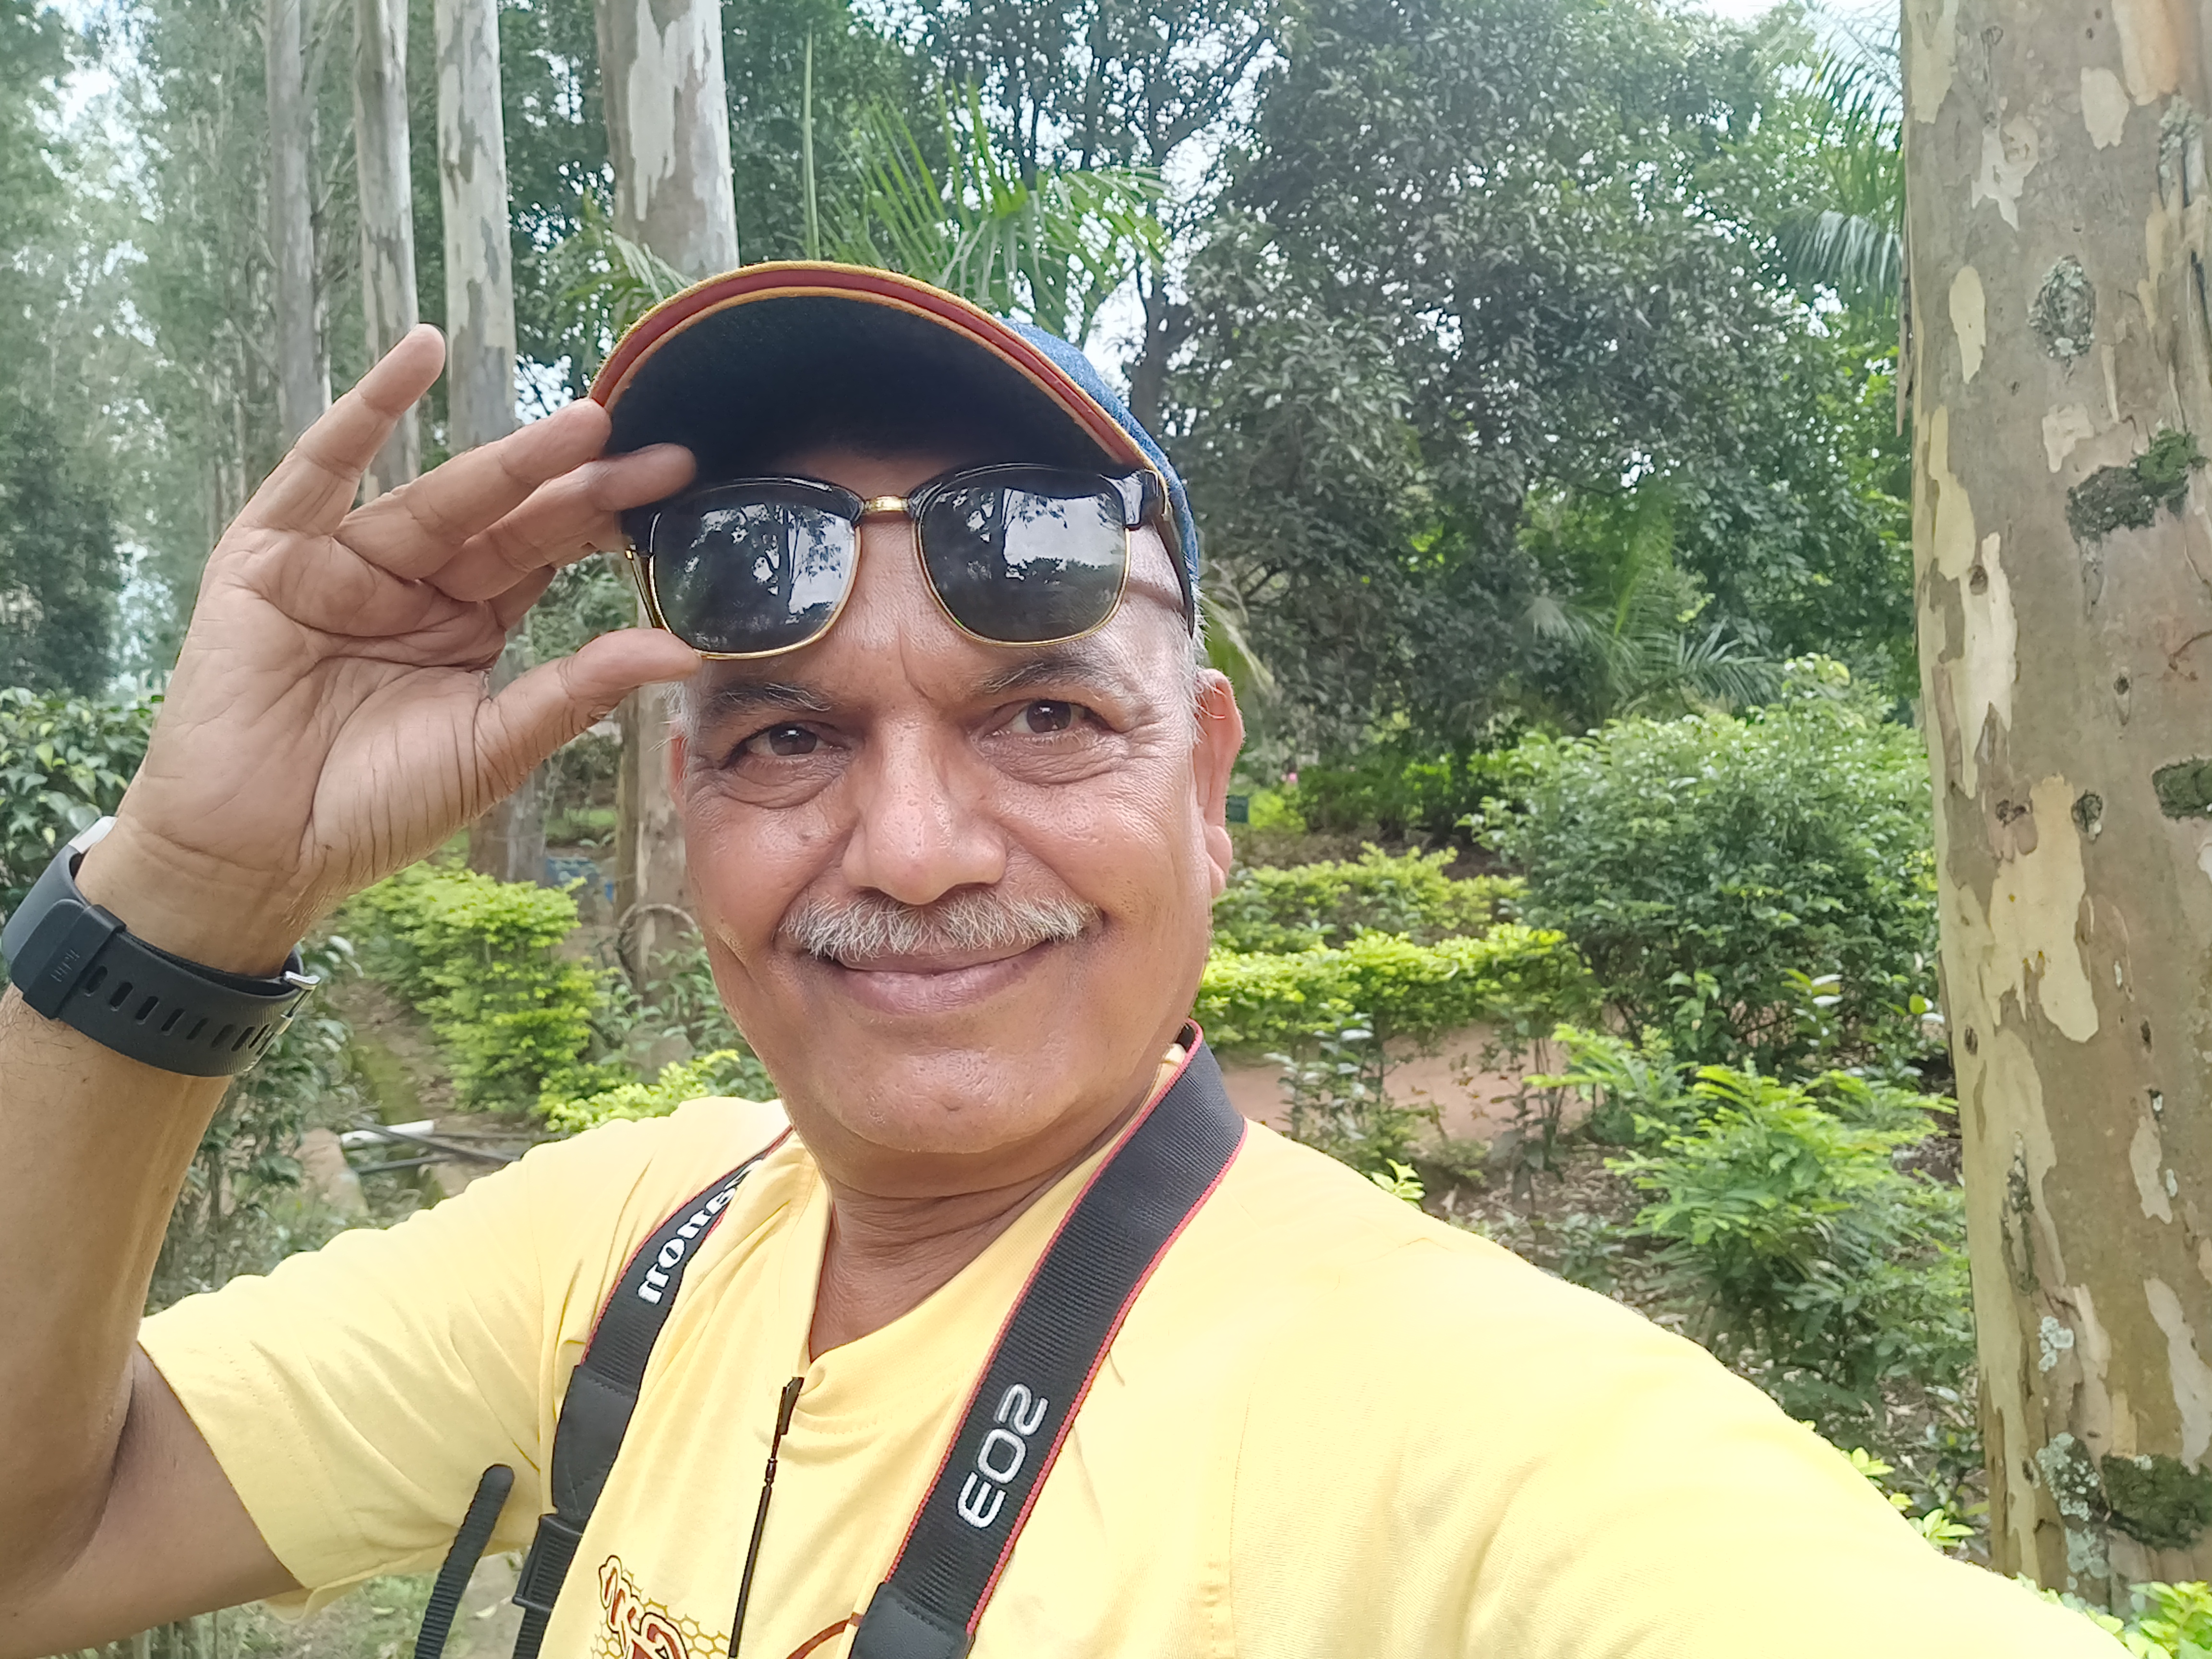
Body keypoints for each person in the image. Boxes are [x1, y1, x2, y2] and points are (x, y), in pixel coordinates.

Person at [0, 265, 2115, 1659]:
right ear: (689, 805)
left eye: (1042, 714)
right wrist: (187, 894)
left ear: (1208, 785)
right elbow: (42, 1542)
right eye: (790, 736)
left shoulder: (1472, 1435)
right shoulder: (618, 1244)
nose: (913, 852)